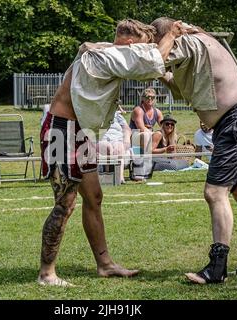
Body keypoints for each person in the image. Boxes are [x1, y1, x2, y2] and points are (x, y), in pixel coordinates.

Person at [39, 19, 179, 287]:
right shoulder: (108, 55)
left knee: (94, 196)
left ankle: (105, 265)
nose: (140, 52)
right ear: (128, 43)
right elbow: (153, 61)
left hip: (80, 132)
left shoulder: (106, 52)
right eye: (139, 47)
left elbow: (152, 63)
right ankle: (47, 273)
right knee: (64, 204)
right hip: (61, 130)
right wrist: (170, 33)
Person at [152, 17, 237, 284]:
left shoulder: (188, 41)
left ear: (167, 35)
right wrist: (161, 74)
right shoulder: (196, 46)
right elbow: (179, 90)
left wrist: (155, 50)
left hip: (235, 120)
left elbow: (155, 59)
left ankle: (217, 269)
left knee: (215, 192)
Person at [98, 105, 131, 184]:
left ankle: (120, 177)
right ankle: (107, 174)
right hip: (102, 139)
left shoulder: (117, 116)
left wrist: (127, 139)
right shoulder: (97, 115)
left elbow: (127, 129)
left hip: (117, 139)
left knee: (119, 147)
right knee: (107, 147)